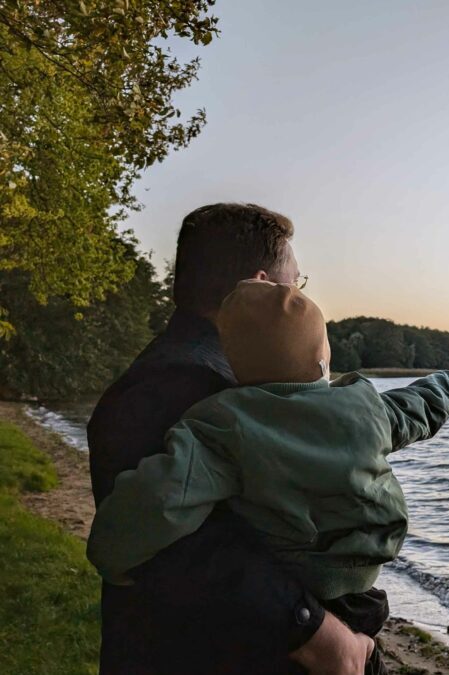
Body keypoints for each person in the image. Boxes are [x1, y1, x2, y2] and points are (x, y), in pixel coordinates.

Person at [87, 280, 449, 674]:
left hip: (294, 594)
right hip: (359, 596)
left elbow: (163, 495)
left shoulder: (223, 424)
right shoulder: (363, 408)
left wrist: (113, 555)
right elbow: (419, 405)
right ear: (322, 360)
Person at [88, 204, 373, 675]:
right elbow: (176, 550)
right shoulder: (176, 385)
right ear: (261, 286)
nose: (300, 296)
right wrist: (315, 633)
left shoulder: (209, 376)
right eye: (296, 284)